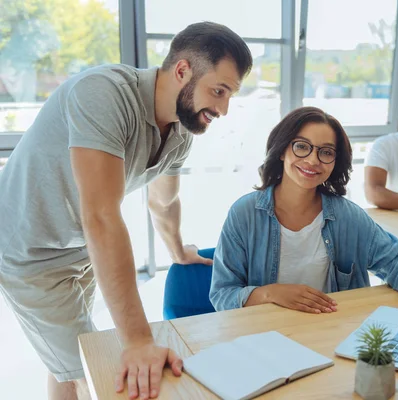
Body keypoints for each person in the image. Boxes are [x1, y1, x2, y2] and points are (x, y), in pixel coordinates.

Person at [0, 22, 252, 400]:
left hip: (79, 250)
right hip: (30, 253)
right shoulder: (104, 93)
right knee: (93, 374)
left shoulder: (181, 131)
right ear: (182, 70)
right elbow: (100, 215)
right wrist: (137, 340)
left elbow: (163, 201)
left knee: (70, 362)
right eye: (218, 91)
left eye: (230, 94)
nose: (223, 108)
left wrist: (177, 250)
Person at [209, 107, 398, 319]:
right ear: (283, 149)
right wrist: (270, 293)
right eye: (302, 146)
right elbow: (222, 293)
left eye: (326, 152)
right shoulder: (244, 214)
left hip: (333, 331)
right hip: (264, 336)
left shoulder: (347, 216)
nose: (312, 160)